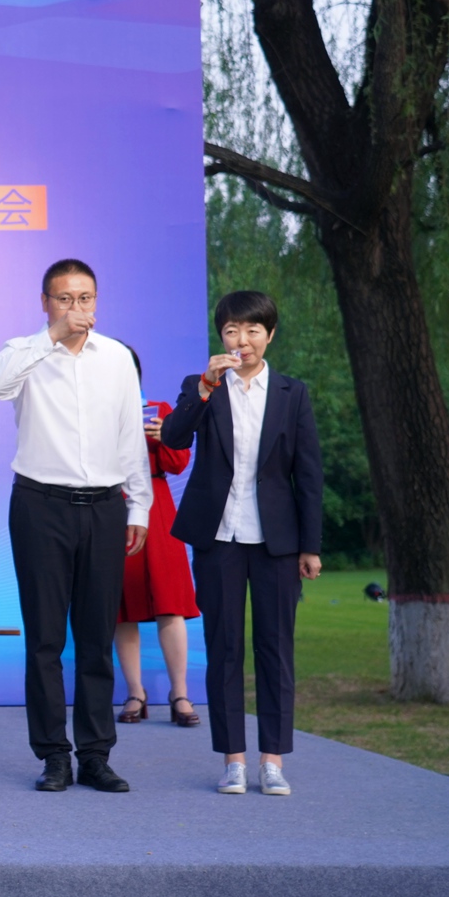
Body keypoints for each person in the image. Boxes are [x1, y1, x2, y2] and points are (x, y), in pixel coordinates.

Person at [0, 259, 152, 793]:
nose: (76, 308)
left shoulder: (117, 357)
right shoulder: (25, 353)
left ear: (96, 301)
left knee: (96, 638)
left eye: (85, 298)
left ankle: (96, 754)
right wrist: (51, 337)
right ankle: (54, 755)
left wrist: (139, 507)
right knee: (45, 639)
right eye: (64, 298)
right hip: (40, 505)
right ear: (45, 302)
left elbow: (130, 434)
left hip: (104, 506)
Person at [161, 289, 322, 796]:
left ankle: (272, 760)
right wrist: (205, 387)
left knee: (275, 649)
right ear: (221, 336)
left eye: (253, 329)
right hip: (219, 537)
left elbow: (308, 474)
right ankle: (233, 759)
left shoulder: (292, 393)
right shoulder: (204, 386)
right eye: (232, 330)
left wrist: (311, 546)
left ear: (269, 334)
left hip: (277, 541)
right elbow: (173, 438)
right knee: (224, 647)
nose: (242, 339)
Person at [113, 346, 200, 729]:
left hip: (157, 504)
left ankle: (180, 693)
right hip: (114, 505)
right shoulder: (93, 413)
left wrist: (165, 435)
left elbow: (178, 463)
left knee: (170, 602)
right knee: (121, 607)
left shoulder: (160, 409)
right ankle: (135, 692)